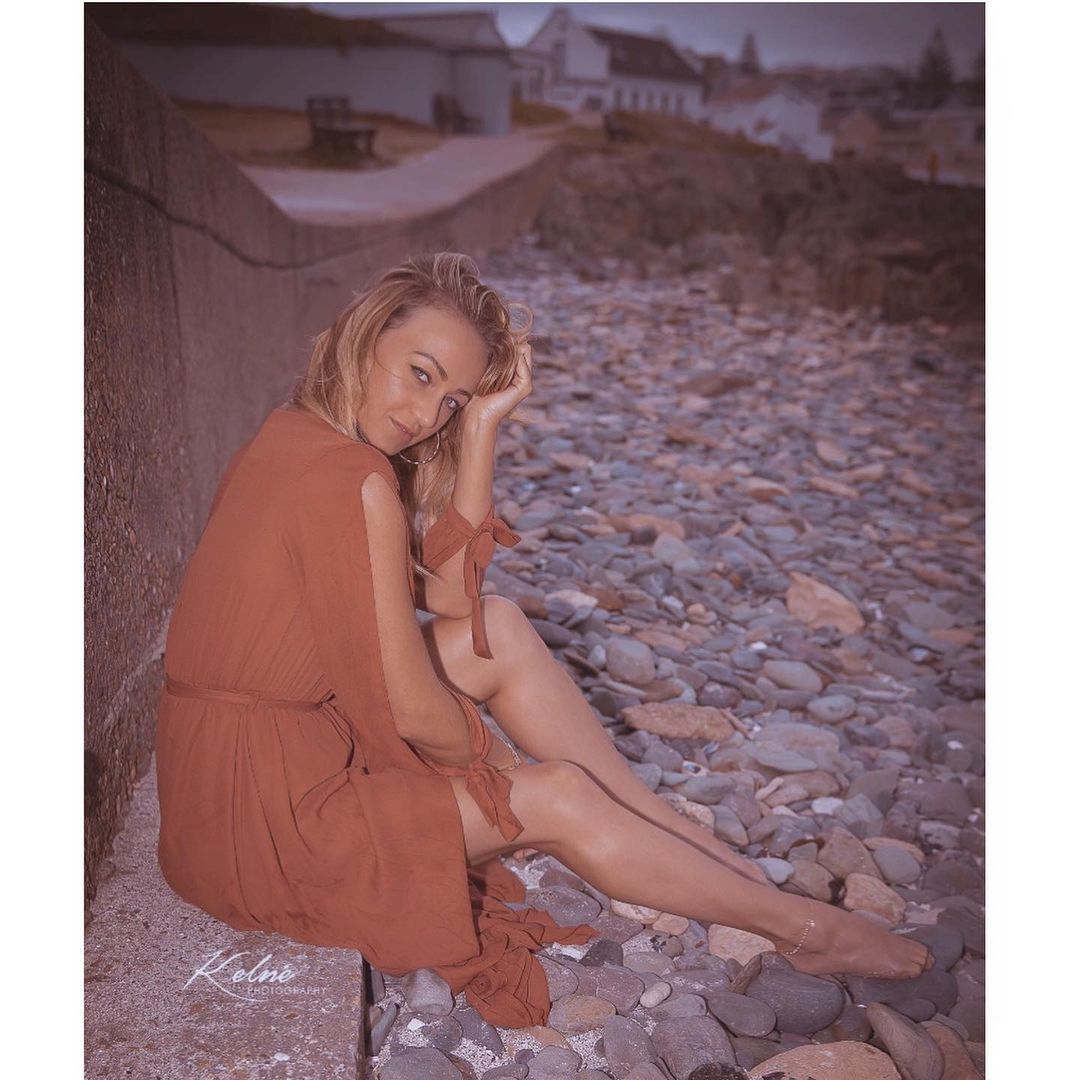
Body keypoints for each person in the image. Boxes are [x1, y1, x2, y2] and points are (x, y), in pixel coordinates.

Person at [155, 252, 931, 1031]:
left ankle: (660, 827)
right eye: (419, 375)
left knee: (498, 629)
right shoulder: (353, 478)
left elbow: (452, 598)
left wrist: (483, 426)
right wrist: (507, 770)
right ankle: (802, 930)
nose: (426, 416)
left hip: (227, 778)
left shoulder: (295, 435)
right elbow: (411, 711)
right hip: (267, 823)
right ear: (365, 338)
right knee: (557, 794)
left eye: (450, 401)